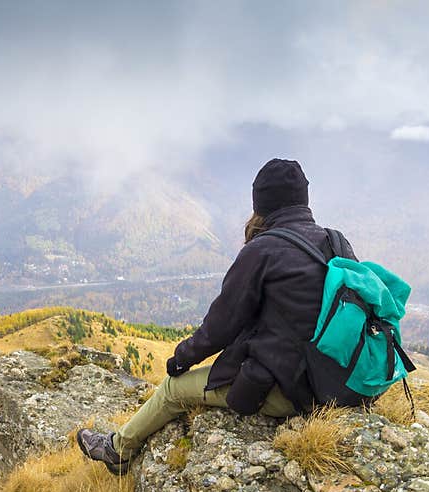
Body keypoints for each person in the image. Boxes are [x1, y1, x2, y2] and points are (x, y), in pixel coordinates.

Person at [77, 158, 356, 474]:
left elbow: (220, 326)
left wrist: (181, 359)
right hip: (340, 386)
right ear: (303, 199)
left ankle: (117, 450)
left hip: (291, 392)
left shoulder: (263, 249)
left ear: (261, 203)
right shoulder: (335, 241)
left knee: (171, 390)